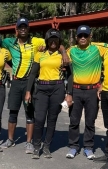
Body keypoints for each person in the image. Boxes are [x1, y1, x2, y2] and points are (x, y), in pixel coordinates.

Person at [0, 17, 69, 154]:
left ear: (28, 29)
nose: (23, 29)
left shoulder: (37, 41)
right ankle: (11, 139)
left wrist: (64, 51)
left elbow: (54, 42)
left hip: (30, 82)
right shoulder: (9, 42)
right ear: (16, 30)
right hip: (16, 81)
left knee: (30, 112)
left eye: (25, 27)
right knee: (13, 112)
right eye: (20, 27)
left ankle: (29, 142)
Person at [24, 28, 73, 159]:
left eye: (56, 39)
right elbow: (33, 73)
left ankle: (46, 147)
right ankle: (36, 146)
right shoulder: (40, 54)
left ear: (59, 41)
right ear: (47, 40)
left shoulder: (63, 55)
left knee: (52, 120)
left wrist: (69, 93)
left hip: (57, 88)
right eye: (51, 39)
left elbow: (70, 76)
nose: (53, 42)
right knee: (39, 118)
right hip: (41, 88)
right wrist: (28, 91)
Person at [65, 25, 108, 160]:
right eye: (80, 36)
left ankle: (88, 148)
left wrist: (103, 85)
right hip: (76, 90)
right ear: (76, 37)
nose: (82, 38)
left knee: (90, 121)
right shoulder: (71, 50)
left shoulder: (97, 48)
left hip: (92, 91)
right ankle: (73, 146)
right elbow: (62, 58)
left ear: (90, 36)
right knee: (74, 121)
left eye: (85, 35)